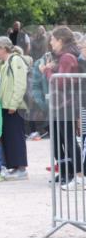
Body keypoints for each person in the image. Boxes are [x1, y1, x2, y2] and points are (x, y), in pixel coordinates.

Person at [42, 26, 84, 187]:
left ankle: (79, 176)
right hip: (62, 105)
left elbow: (59, 83)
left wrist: (47, 71)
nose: (51, 43)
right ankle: (69, 173)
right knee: (62, 140)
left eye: (53, 39)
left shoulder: (67, 57)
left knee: (70, 141)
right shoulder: (65, 56)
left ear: (60, 40)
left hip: (66, 105)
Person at [0, 36, 29, 181]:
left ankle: (21, 169)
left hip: (14, 106)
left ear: (3, 48)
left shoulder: (16, 60)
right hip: (4, 105)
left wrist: (14, 104)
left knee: (16, 137)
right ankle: (14, 167)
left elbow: (20, 84)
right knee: (8, 137)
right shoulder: (2, 63)